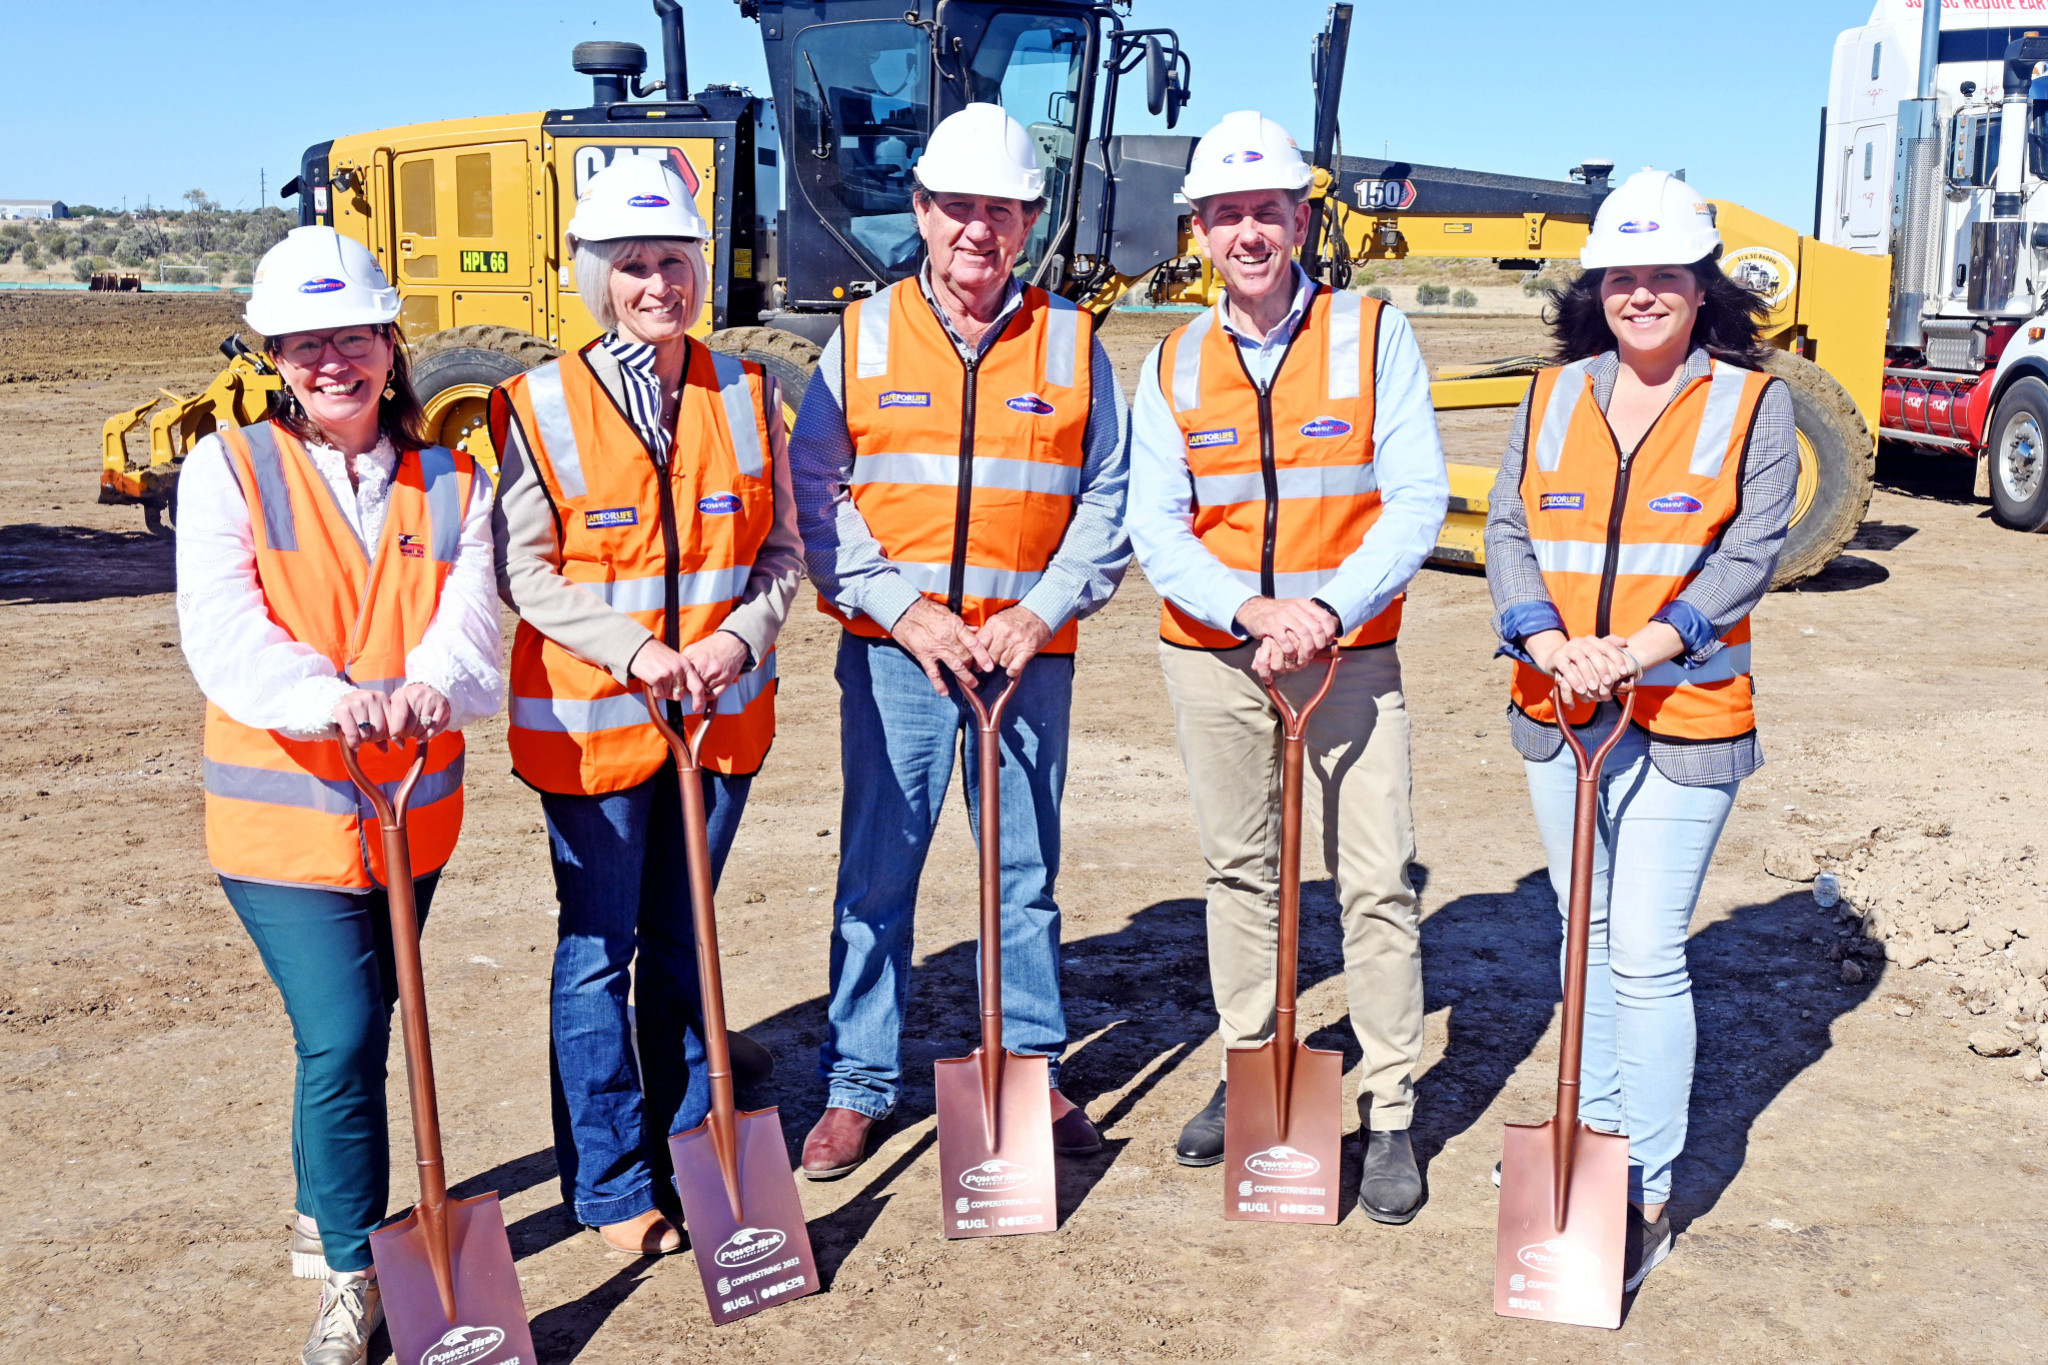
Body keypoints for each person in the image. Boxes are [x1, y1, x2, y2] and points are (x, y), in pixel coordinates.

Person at [175, 227, 501, 1365]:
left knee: (367, 1035)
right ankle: (352, 1276)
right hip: (282, 818)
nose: (333, 363)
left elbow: (473, 627)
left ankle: (330, 1214)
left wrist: (430, 689)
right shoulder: (228, 467)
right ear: (275, 355)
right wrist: (329, 699)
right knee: (345, 1031)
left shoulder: (456, 477)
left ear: (390, 344)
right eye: (306, 344)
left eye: (352, 338)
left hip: (412, 813)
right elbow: (224, 635)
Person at [788, 103, 1131, 1178]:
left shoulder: (1073, 343)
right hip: (900, 657)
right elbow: (815, 492)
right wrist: (904, 609)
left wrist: (1041, 611)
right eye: (955, 209)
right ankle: (857, 1083)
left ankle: (1027, 1069)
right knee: (877, 874)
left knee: (1020, 875)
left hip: (1027, 659)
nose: (975, 231)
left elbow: (1109, 496)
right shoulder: (862, 333)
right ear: (921, 212)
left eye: (998, 210)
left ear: (1026, 221)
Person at [1126, 111, 1448, 1224]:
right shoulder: (1172, 358)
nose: (1248, 233)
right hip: (1213, 659)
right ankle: (1252, 1066)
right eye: (1226, 216)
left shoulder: (1371, 335)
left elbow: (1413, 500)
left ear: (1301, 220)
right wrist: (1248, 609)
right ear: (1199, 234)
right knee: (1240, 874)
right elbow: (1156, 525)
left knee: (1374, 879)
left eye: (1267, 210)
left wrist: (1321, 609)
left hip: (1346, 657)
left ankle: (1390, 1103)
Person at [1484, 168, 1796, 1289]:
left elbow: (1751, 553)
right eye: (1623, 277)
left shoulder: (1752, 408)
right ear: (1597, 287)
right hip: (1560, 705)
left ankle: (1644, 1183)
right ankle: (1590, 1138)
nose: (1642, 295)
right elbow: (1510, 531)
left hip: (1684, 712)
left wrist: (1645, 645)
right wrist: (1538, 637)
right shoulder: (1549, 395)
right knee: (1586, 939)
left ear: (1701, 288)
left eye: (1664, 276)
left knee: (1645, 949)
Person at [489, 158, 801, 1256]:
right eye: (633, 266)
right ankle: (613, 1186)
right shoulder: (534, 404)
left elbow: (778, 551)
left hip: (718, 724)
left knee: (684, 947)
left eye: (674, 261)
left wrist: (731, 641)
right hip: (591, 727)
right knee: (595, 952)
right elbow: (524, 571)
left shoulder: (750, 390)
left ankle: (686, 1151)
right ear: (594, 277)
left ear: (700, 270)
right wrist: (636, 651)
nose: (656, 284)